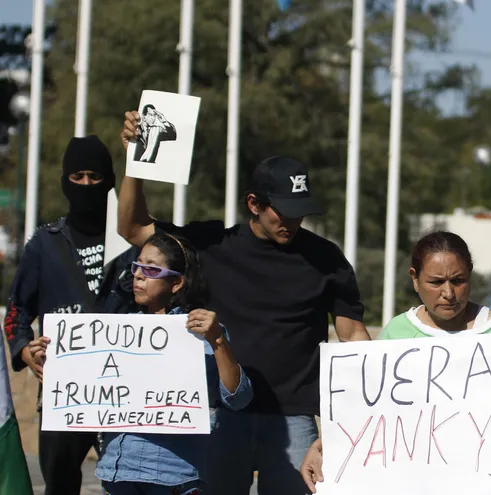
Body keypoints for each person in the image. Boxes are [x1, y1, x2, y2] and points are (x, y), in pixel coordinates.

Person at [118, 110, 372, 494]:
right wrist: (136, 161)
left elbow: (353, 335)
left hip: (295, 418)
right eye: (281, 211)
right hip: (222, 416)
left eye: (300, 212)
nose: (291, 221)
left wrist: (377, 397)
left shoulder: (327, 259)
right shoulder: (212, 245)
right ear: (254, 203)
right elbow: (133, 228)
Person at [300, 231, 491, 493]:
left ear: (470, 274)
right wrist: (324, 446)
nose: (448, 293)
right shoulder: (397, 332)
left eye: (458, 281)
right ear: (415, 278)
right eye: (436, 282)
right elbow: (365, 416)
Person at [27, 232, 253, 494]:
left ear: (177, 282)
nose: (138, 275)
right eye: (137, 266)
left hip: (172, 478)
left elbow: (239, 397)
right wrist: (51, 361)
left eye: (150, 269)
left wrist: (218, 341)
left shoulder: (201, 333)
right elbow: (86, 389)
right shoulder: (115, 331)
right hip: (116, 473)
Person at [4, 135, 139, 495]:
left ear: (109, 181)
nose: (85, 185)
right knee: (59, 483)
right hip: (64, 393)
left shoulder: (133, 244)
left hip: (124, 393)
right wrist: (24, 350)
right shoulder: (44, 244)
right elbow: (16, 310)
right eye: (76, 176)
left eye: (95, 177)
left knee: (128, 482)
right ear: (65, 180)